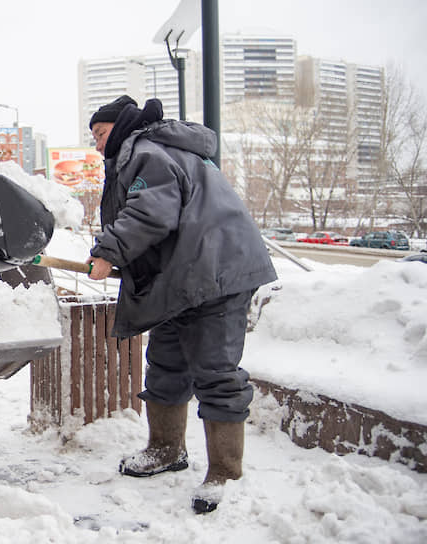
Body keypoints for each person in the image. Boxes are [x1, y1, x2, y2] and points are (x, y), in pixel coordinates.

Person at [85, 95, 277, 514]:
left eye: (100, 135)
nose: (98, 145)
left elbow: (151, 212)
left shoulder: (146, 151)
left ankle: (225, 472)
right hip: (182, 277)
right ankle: (166, 449)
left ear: (120, 126)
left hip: (215, 273)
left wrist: (109, 251)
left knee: (215, 372)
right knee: (167, 364)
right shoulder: (150, 151)